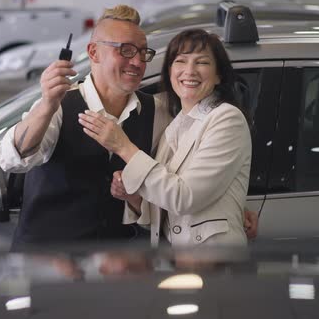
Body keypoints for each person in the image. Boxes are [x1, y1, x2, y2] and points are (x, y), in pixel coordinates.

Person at [0, 5, 172, 249]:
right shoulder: (58, 105)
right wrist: (47, 103)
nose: (137, 62)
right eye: (126, 50)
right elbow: (13, 160)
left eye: (143, 52)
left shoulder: (157, 111)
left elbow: (171, 191)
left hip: (116, 269)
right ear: (94, 52)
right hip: (46, 269)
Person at [79, 29, 252, 247]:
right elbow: (166, 206)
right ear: (169, 71)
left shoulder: (227, 118)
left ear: (219, 75)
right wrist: (133, 198)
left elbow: (184, 198)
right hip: (178, 263)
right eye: (180, 61)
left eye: (202, 63)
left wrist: (122, 146)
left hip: (214, 262)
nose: (190, 71)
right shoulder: (176, 123)